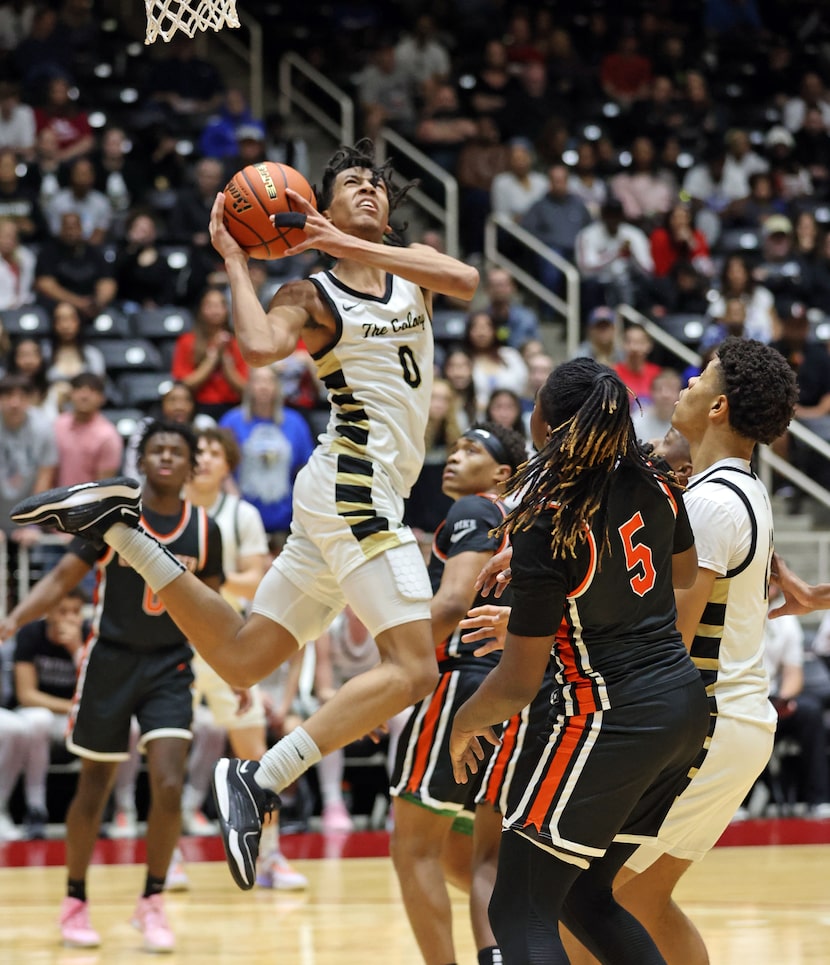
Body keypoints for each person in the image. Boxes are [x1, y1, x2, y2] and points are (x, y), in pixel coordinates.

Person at [11, 139, 479, 894]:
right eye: (349, 184)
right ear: (316, 208)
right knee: (416, 667)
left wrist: (347, 239)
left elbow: (465, 278)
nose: (367, 190)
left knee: (240, 658)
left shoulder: (410, 269)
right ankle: (261, 779)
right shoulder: (312, 294)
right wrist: (236, 259)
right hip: (349, 484)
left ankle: (120, 529)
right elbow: (260, 349)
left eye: (375, 185)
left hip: (359, 496)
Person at [447, 357, 710, 964]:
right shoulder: (656, 479)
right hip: (682, 710)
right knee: (586, 896)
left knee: (519, 905)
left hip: (608, 718)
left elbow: (515, 685)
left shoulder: (549, 522)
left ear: (545, 424)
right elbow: (683, 574)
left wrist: (466, 720)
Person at [566, 337, 798, 965]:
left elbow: (665, 634)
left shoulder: (711, 503)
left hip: (706, 727)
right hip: (734, 725)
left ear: (719, 408)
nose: (686, 382)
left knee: (578, 907)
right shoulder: (735, 489)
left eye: (700, 377)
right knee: (643, 902)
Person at [3, 420, 223, 951]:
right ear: (140, 462)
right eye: (156, 449)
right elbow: (59, 581)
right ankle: (75, 899)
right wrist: (13, 620)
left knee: (169, 784)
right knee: (93, 787)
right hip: (110, 661)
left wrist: (229, 675)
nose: (166, 456)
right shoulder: (111, 519)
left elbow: (213, 611)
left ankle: (152, 902)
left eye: (176, 450)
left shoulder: (206, 529)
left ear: (191, 464)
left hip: (171, 665)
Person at [389, 422, 527, 965]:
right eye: (454, 447)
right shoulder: (525, 520)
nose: (455, 456)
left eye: (473, 450)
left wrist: (387, 671)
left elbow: (450, 606)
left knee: (413, 847)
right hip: (514, 691)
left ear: (502, 473)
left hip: (462, 686)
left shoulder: (475, 510)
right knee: (480, 856)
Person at [180, 425, 308, 888]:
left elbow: (254, 580)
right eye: (198, 451)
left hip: (226, 640)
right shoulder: (167, 513)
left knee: (253, 752)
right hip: (174, 642)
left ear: (229, 463)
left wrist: (194, 583)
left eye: (215, 451)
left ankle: (270, 855)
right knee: (171, 749)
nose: (205, 459)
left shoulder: (242, 515)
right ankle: (170, 856)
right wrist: (217, 580)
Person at [11, 587, 88, 839]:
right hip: (37, 714)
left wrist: (77, 649)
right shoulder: (31, 634)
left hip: (76, 717)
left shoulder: (89, 635)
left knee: (115, 725)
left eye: (75, 612)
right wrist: (71, 707)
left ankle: (106, 810)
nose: (69, 618)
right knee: (39, 720)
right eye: (62, 611)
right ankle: (36, 808)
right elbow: (27, 695)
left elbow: (99, 693)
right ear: (48, 612)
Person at [219, 365, 315, 548]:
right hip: (243, 519)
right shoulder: (231, 421)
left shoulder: (295, 422)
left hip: (285, 520)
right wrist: (235, 501)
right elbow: (220, 467)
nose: (263, 386)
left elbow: (306, 468)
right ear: (249, 386)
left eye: (269, 380)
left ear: (277, 387)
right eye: (258, 380)